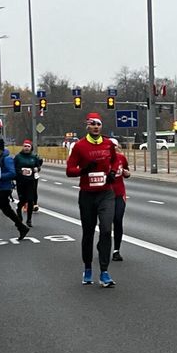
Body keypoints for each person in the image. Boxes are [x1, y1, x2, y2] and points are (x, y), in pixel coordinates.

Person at [66, 112, 119, 287]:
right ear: (87, 126)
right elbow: (69, 170)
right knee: (88, 233)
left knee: (105, 230)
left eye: (99, 124)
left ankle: (104, 271)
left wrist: (112, 172)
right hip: (88, 195)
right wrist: (83, 170)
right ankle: (88, 267)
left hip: (106, 193)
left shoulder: (108, 144)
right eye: (93, 124)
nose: (96, 127)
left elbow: (116, 160)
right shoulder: (80, 146)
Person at [0, 139, 29, 241]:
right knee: (6, 210)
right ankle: (22, 228)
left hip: (3, 188)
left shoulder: (6, 159)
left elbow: (12, 173)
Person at [110, 138, 130, 262]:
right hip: (105, 195)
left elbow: (126, 171)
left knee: (118, 219)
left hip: (119, 194)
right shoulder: (102, 160)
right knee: (106, 223)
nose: (113, 149)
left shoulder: (121, 158)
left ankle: (116, 250)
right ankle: (104, 244)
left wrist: (126, 173)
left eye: (115, 147)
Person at [14, 139, 41, 228]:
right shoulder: (18, 157)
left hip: (30, 181)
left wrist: (37, 169)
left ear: (31, 148)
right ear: (23, 147)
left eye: (28, 146)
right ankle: (19, 210)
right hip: (21, 182)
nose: (26, 148)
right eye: (25, 146)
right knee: (23, 200)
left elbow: (38, 167)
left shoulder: (33, 157)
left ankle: (29, 219)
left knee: (30, 200)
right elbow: (14, 168)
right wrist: (20, 172)